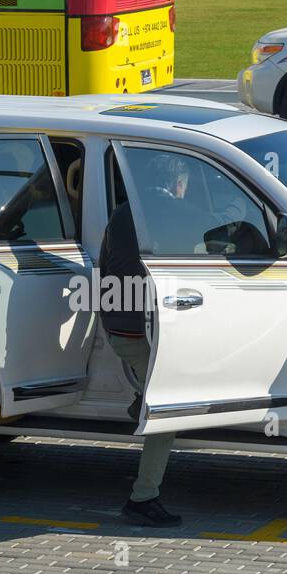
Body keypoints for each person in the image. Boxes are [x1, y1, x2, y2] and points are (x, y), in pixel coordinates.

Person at [97, 160, 190, 529]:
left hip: (117, 322)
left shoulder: (122, 212)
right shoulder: (171, 210)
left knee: (158, 386)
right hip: (142, 327)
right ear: (177, 182)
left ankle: (141, 403)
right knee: (166, 410)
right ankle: (143, 497)